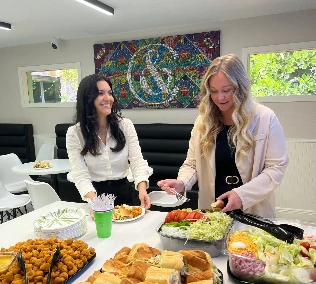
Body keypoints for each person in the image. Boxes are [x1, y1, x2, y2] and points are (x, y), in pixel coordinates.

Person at [158, 54, 288, 218]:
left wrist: (242, 195)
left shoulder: (265, 118)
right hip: (213, 209)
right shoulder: (203, 122)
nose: (220, 97)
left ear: (240, 88)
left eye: (226, 90)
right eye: (214, 91)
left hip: (252, 207)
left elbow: (276, 169)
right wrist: (182, 182)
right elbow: (192, 164)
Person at [66, 74, 151, 209]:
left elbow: (137, 161)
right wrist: (97, 204)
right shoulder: (75, 133)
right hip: (94, 195)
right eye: (101, 93)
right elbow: (81, 175)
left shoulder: (125, 125)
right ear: (88, 98)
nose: (108, 98)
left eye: (110, 93)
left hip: (124, 193)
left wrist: (142, 189)